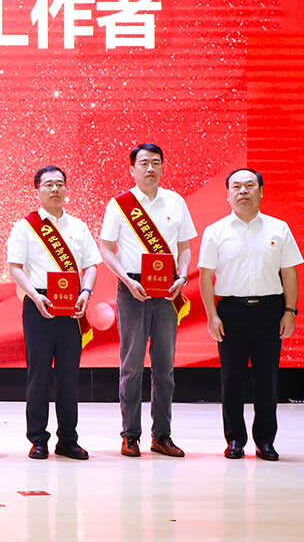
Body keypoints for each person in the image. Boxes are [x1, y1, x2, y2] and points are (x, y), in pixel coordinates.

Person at [98, 143, 196, 458]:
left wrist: (182, 276)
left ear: (162, 166)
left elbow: (185, 248)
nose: (150, 168)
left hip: (167, 291)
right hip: (132, 290)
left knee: (165, 368)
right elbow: (106, 249)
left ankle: (162, 436)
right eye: (143, 163)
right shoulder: (119, 205)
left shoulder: (176, 202)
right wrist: (127, 281)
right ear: (132, 169)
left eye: (156, 162)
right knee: (131, 367)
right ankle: (130, 435)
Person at [198, 168, 301, 461]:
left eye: (249, 185)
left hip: (270, 311)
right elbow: (205, 277)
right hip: (231, 312)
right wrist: (211, 316)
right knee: (232, 379)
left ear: (261, 191)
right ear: (227, 194)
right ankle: (235, 440)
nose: (243, 191)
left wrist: (289, 311)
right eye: (236, 186)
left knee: (267, 379)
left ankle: (265, 441)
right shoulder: (215, 231)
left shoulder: (278, 228)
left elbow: (289, 272)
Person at [7, 165, 99, 460]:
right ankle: (38, 439)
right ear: (37, 191)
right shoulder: (25, 227)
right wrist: (34, 296)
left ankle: (68, 439)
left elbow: (91, 265)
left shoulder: (78, 227)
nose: (55, 189)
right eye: (48, 184)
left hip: (72, 305)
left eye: (60, 184)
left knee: (69, 376)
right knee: (39, 374)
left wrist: (86, 292)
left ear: (66, 189)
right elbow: (14, 267)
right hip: (39, 304)